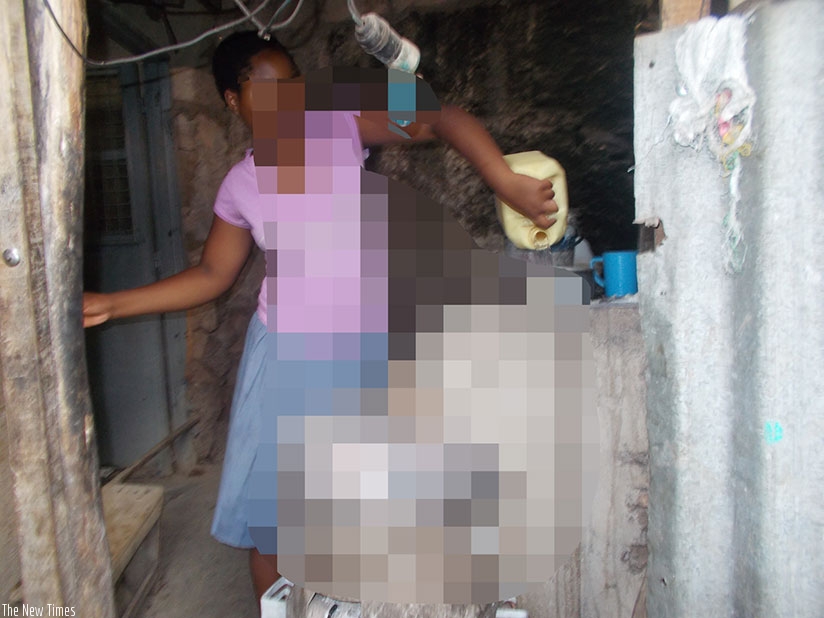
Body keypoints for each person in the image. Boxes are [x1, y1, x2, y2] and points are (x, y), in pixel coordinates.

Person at [83, 30, 559, 602]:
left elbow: (439, 116)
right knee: (273, 527)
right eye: (272, 88)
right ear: (234, 100)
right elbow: (212, 275)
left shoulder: (339, 125)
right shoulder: (241, 186)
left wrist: (503, 179)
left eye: (295, 83)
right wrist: (113, 303)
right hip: (284, 355)